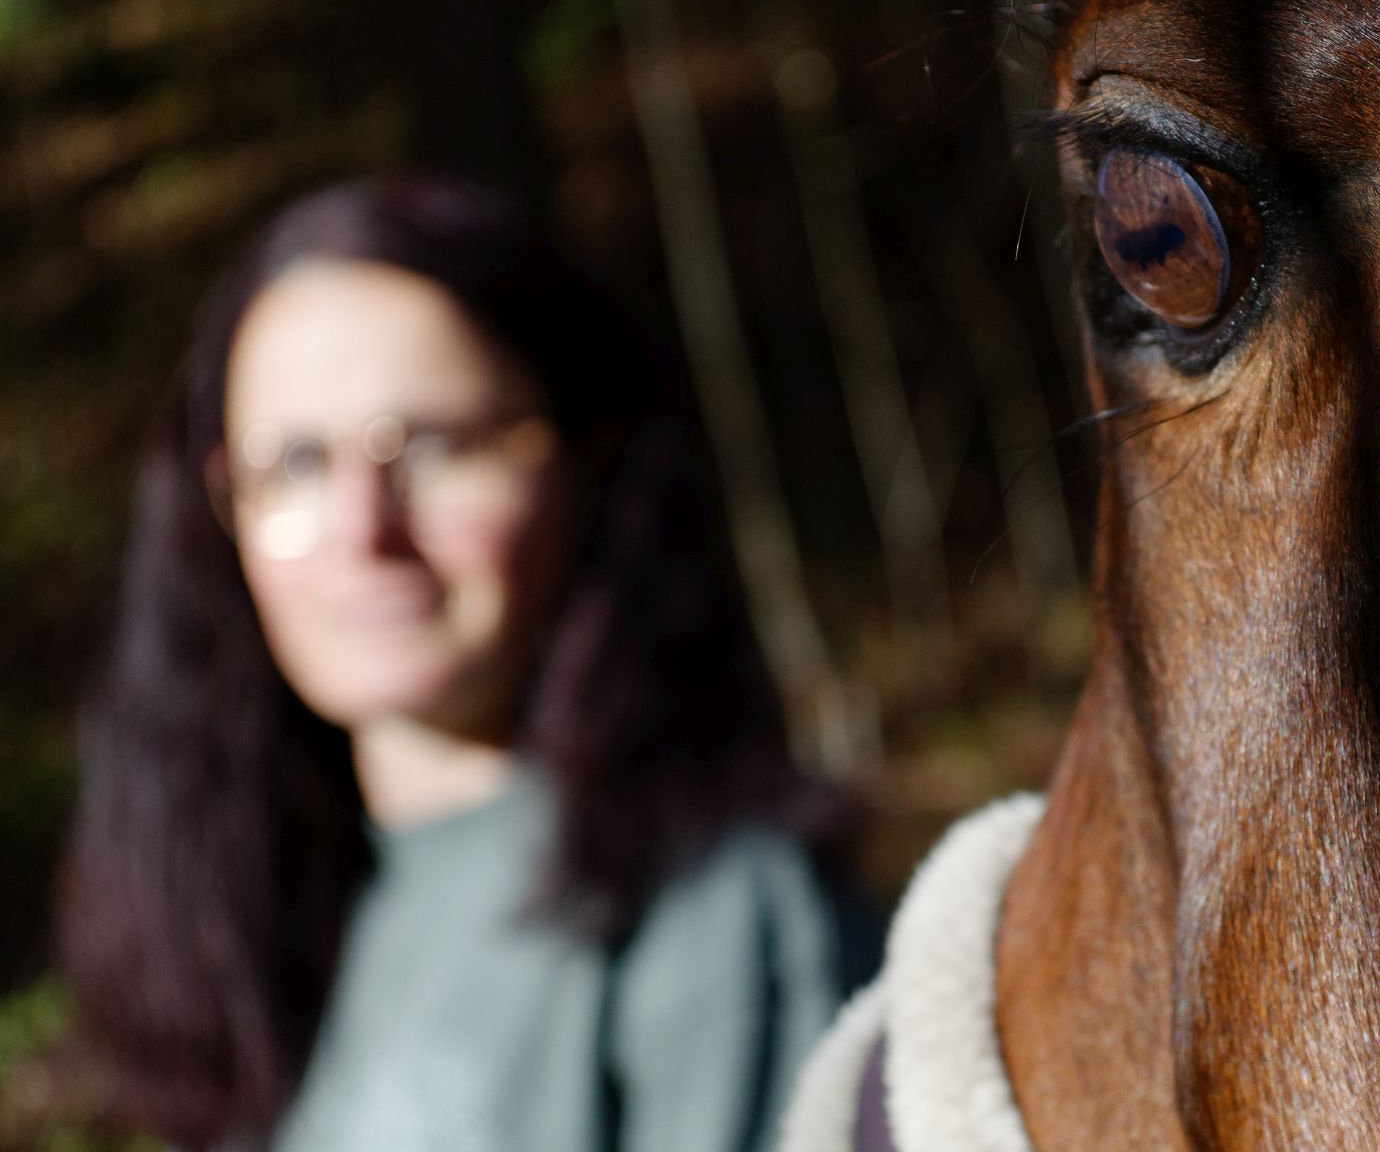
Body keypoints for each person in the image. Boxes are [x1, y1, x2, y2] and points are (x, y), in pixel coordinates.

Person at [58, 175, 870, 1151]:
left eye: (436, 446)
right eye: (297, 463)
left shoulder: (721, 918)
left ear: (591, 461)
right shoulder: (261, 925)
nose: (364, 531)